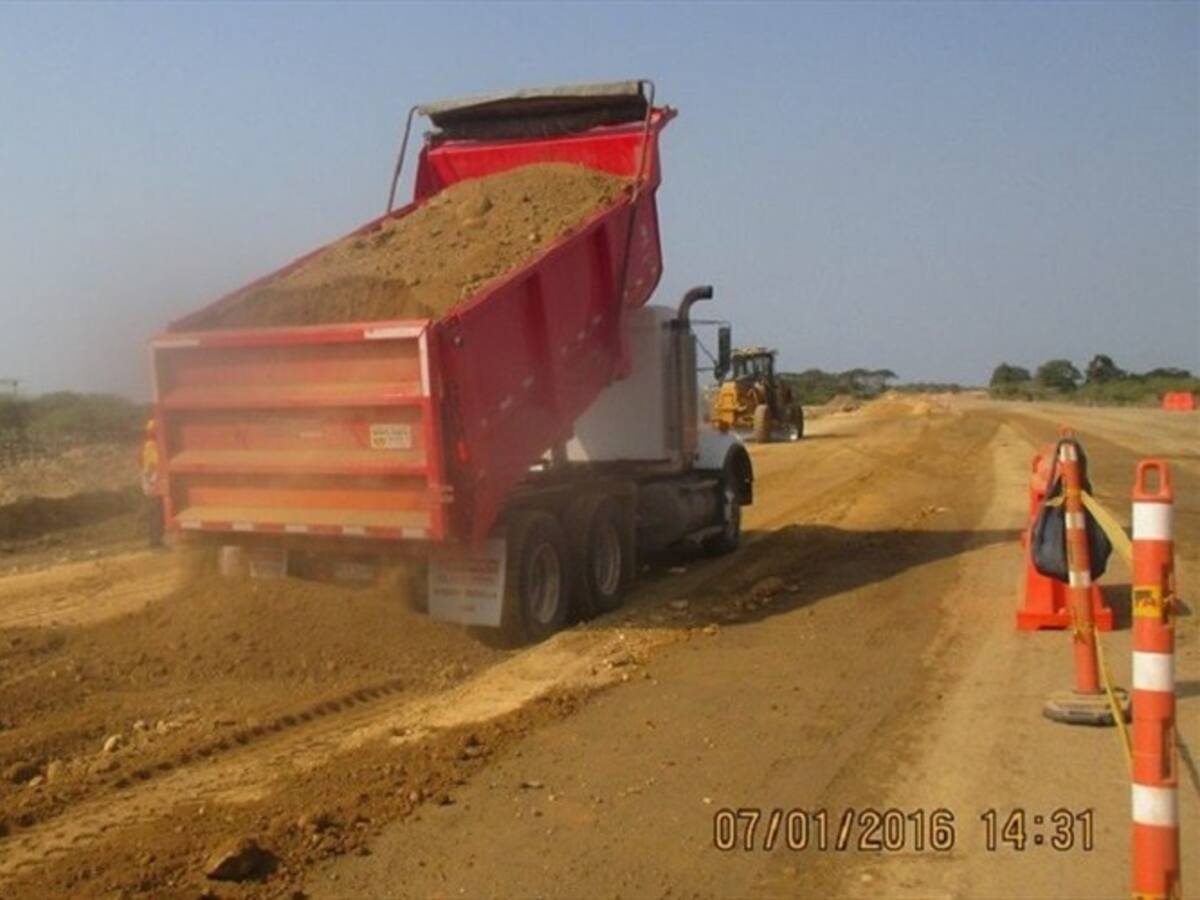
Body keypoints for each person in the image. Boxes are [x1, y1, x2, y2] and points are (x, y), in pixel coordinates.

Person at [140, 417, 164, 547]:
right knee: (156, 511)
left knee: (157, 511)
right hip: (152, 482)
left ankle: (157, 539)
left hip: (152, 481)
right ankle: (155, 542)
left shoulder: (151, 445)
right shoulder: (151, 446)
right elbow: (155, 464)